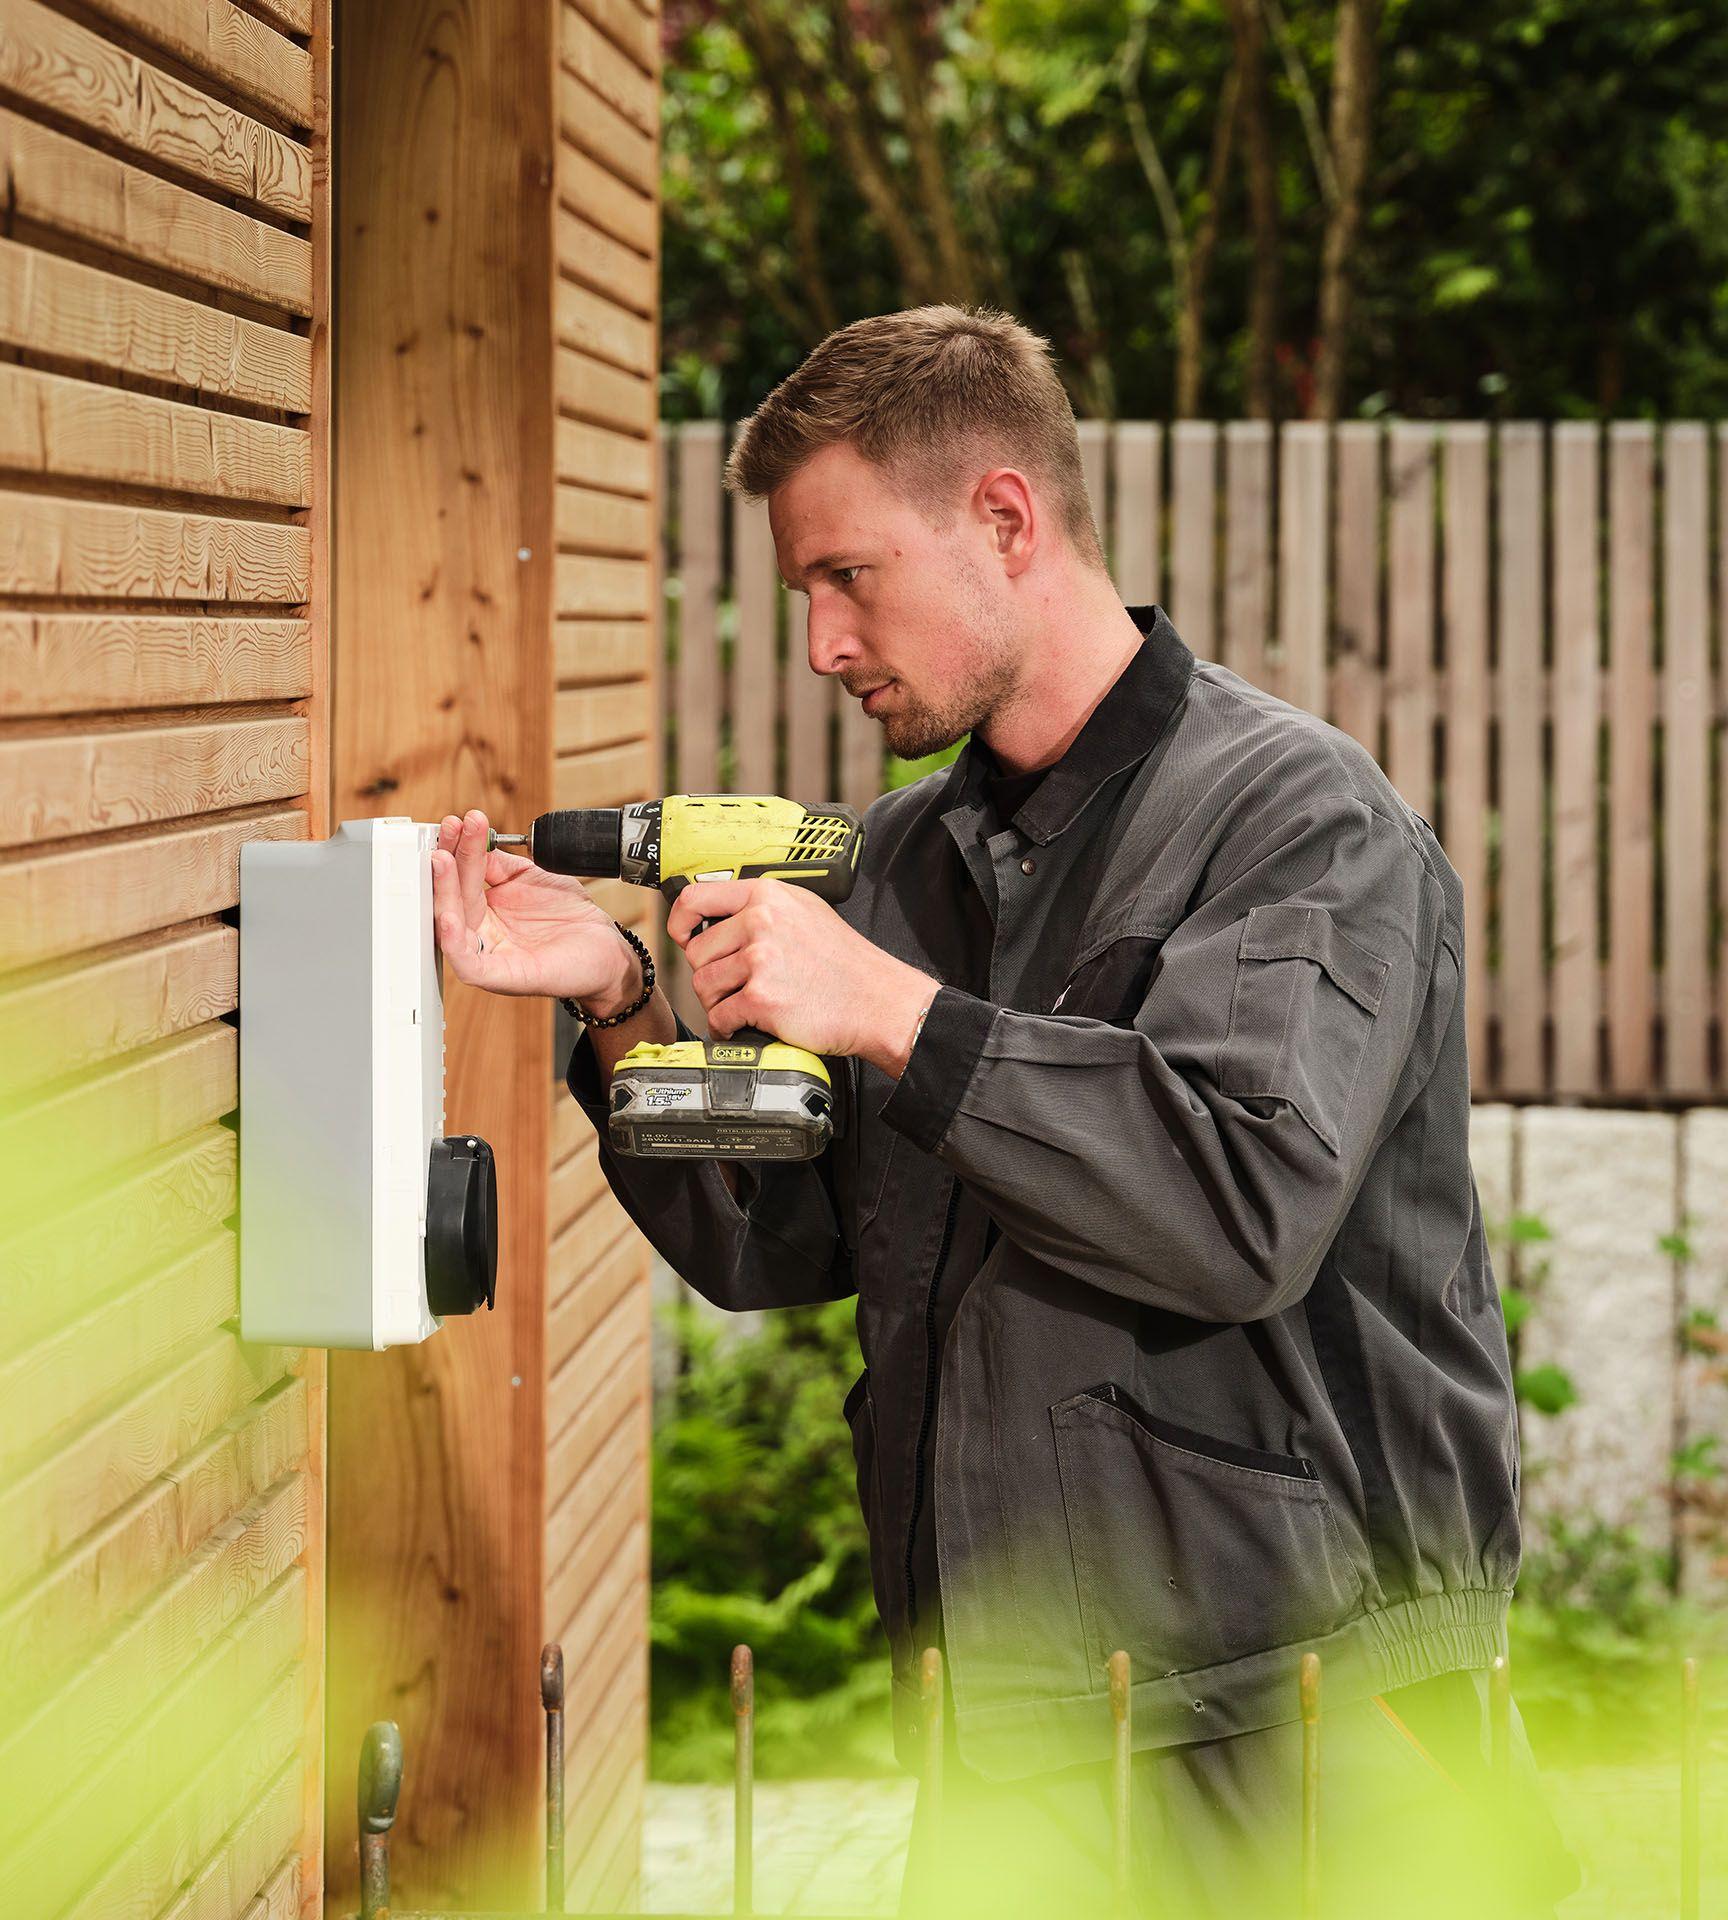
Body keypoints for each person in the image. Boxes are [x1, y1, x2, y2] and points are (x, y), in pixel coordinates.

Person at [431, 306, 1573, 1917]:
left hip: (1308, 1723)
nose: (824, 642)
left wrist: (890, 1010)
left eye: (850, 577)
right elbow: (780, 1233)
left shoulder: (1298, 822)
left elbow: (1238, 1207)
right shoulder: (906, 858)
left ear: (1005, 518)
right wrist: (616, 1004)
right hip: (1015, 1723)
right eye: (803, 592)